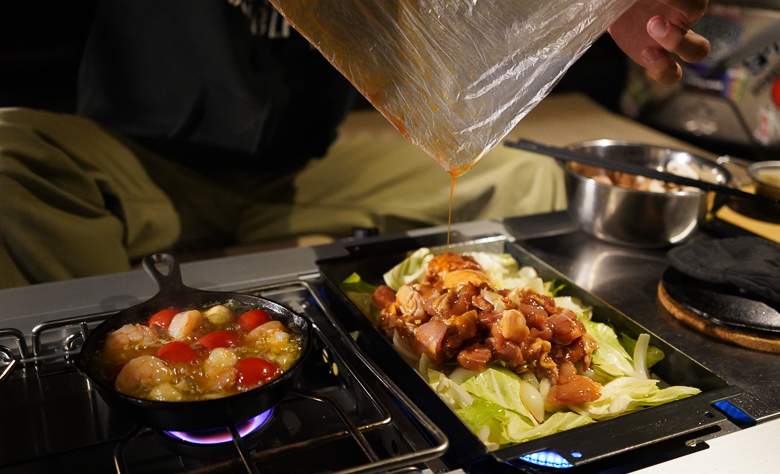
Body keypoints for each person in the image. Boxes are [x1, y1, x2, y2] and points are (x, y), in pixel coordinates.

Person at [0, 0, 710, 288]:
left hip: (300, 176)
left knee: (525, 175)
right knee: (11, 158)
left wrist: (584, 11)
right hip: (134, 165)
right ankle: (115, 370)